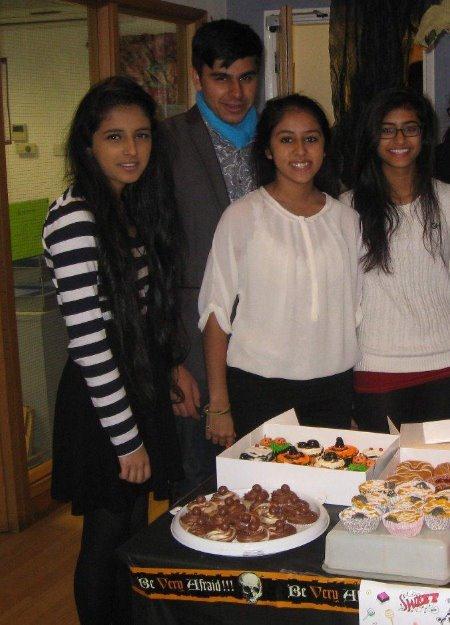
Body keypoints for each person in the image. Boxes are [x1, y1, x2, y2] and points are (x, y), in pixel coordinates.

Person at [42, 76, 185, 624]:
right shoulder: (77, 217)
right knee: (104, 542)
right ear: (88, 144)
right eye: (114, 138)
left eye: (142, 136)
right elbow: (89, 343)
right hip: (105, 401)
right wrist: (127, 442)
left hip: (135, 385)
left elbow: (142, 318)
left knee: (129, 532)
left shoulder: (124, 209)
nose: (132, 151)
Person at [198, 94, 362, 445]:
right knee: (264, 497)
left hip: (332, 389)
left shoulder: (347, 220)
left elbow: (357, 313)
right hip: (259, 390)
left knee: (327, 493)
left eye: (311, 139)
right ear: (268, 150)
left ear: (325, 147)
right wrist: (219, 404)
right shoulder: (242, 216)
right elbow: (215, 312)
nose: (300, 151)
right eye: (286, 139)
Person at [157, 19, 263, 497]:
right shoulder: (166, 144)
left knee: (270, 486)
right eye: (222, 77)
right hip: (196, 353)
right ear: (198, 77)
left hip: (268, 349)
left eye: (246, 76)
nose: (236, 92)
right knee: (201, 494)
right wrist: (172, 361)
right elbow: (154, 263)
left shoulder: (278, 141)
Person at [341, 88, 450, 433]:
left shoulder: (447, 200)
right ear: (373, 137)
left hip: (444, 363)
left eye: (410, 128)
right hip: (376, 366)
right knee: (383, 480)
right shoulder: (346, 208)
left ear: (424, 135)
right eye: (387, 129)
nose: (399, 139)